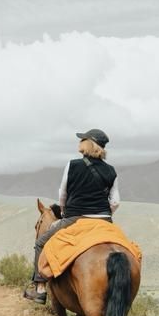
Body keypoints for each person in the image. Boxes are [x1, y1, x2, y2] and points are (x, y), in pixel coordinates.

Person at [23, 128, 120, 304]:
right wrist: (103, 216)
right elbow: (115, 202)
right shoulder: (111, 171)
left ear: (90, 144)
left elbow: (63, 194)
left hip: (75, 218)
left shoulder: (72, 165)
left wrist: (66, 211)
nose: (79, 142)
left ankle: (40, 288)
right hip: (105, 221)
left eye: (82, 139)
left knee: (40, 243)